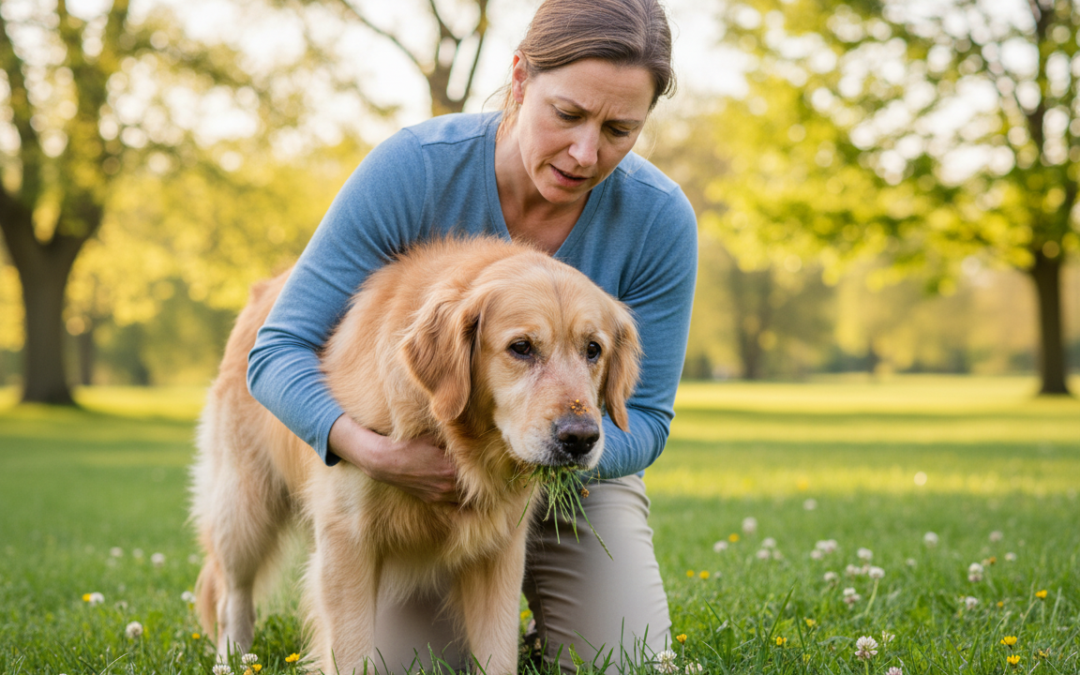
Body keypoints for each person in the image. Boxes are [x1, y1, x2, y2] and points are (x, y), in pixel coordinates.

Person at [246, 0, 697, 671]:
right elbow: (275, 351)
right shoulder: (414, 169)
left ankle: (561, 617)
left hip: (577, 469)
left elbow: (648, 418)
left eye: (619, 129)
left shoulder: (659, 220)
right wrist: (371, 451)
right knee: (416, 664)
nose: (584, 152)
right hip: (418, 467)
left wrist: (535, 461)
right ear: (519, 79)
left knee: (622, 661)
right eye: (567, 114)